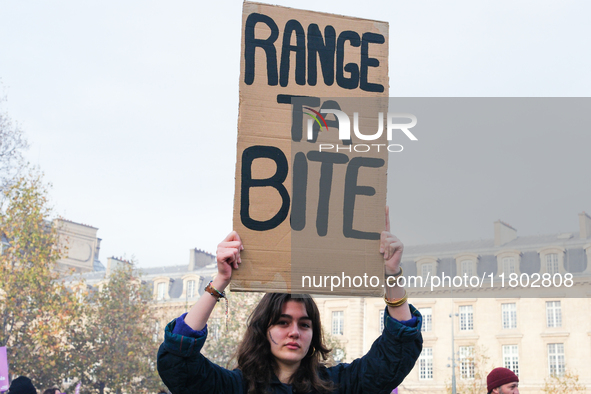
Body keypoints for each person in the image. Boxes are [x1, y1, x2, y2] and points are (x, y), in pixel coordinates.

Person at [157, 210, 423, 393]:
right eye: (283, 322)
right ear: (264, 330)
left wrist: (391, 275)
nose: (294, 332)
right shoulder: (233, 387)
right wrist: (220, 281)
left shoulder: (338, 385)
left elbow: (395, 353)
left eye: (304, 325)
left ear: (314, 334)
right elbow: (177, 360)